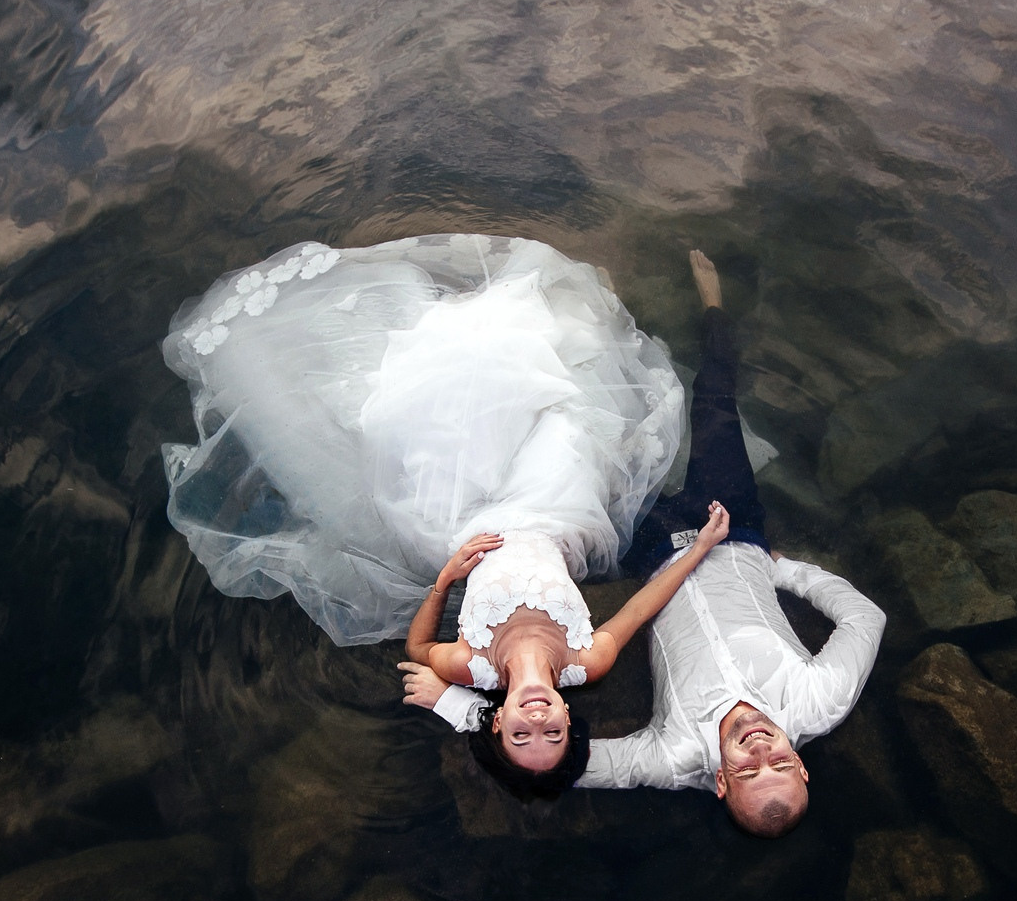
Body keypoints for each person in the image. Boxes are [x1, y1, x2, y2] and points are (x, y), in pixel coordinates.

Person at [157, 234, 732, 796]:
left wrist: (446, 579)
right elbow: (641, 604)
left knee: (412, 420)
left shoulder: (469, 666)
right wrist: (700, 548)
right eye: (552, 731)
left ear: (498, 721)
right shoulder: (589, 662)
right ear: (566, 715)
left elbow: (416, 650)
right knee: (567, 420)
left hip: (461, 528)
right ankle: (584, 317)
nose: (537, 719)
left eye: (522, 732)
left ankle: (468, 327)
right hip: (556, 516)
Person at [571, 251, 885, 834]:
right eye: (781, 762)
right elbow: (865, 619)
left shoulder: (673, 756)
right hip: (735, 527)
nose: (760, 747)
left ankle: (608, 324)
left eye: (747, 769)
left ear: (719, 781)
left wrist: (459, 703)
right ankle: (713, 302)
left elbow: (569, 765)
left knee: (603, 450)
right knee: (715, 400)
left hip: (655, 552)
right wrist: (784, 572)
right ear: (802, 767)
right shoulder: (820, 702)